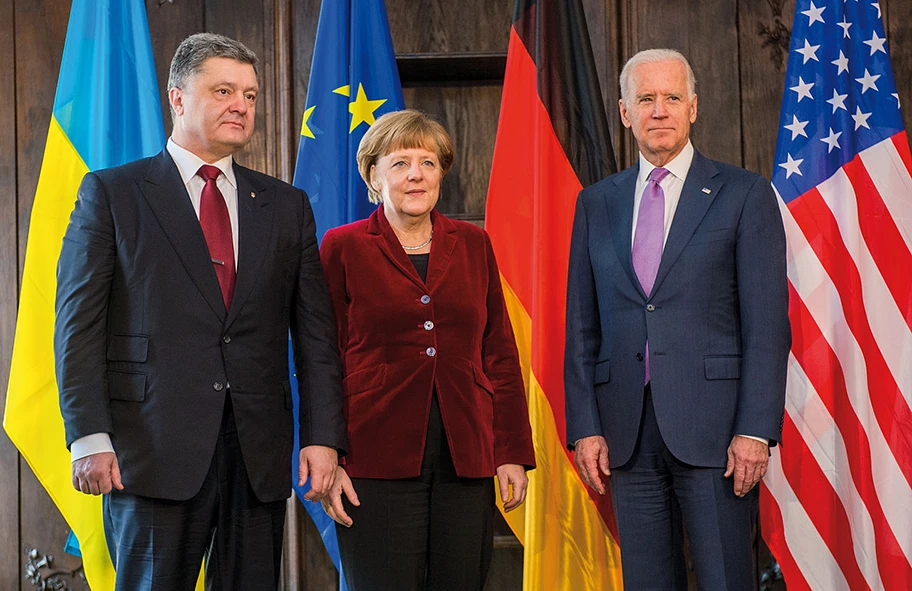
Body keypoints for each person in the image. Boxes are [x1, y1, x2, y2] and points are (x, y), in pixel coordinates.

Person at [54, 33, 345, 589]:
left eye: (251, 95)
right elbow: (78, 327)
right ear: (177, 98)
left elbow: (315, 338)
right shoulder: (114, 194)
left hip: (257, 456)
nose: (241, 104)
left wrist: (322, 435)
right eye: (224, 90)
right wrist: (88, 436)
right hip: (150, 448)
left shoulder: (286, 206)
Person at [564, 48, 790, 590]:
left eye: (670, 98)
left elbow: (766, 326)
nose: (658, 110)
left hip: (718, 436)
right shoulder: (596, 203)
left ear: (693, 107)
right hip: (627, 434)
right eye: (646, 99)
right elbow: (581, 326)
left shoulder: (744, 194)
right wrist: (586, 426)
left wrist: (755, 430)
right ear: (625, 113)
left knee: (724, 580)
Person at [318, 109, 536, 590]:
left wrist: (511, 452)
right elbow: (322, 359)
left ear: (442, 173)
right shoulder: (342, 247)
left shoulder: (475, 244)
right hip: (373, 457)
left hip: (467, 456)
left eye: (429, 162)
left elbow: (499, 352)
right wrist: (328, 456)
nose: (416, 174)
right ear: (373, 175)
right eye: (400, 163)